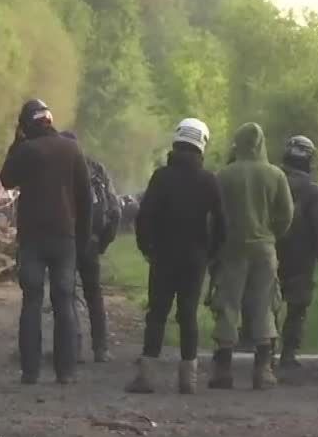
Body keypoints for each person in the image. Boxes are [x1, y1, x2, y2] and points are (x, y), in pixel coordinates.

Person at [127, 118, 224, 395]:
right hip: (195, 258)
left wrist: (147, 248)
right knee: (188, 315)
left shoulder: (161, 177)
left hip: (163, 256)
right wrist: (211, 253)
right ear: (202, 144)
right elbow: (221, 223)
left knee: (157, 313)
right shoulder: (209, 181)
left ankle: (146, 377)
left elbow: (143, 217)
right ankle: (188, 380)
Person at [0, 99, 91, 385]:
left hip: (33, 238)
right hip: (65, 237)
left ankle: (30, 371)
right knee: (64, 301)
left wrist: (16, 143)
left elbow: (6, 179)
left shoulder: (26, 151)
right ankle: (66, 371)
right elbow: (85, 198)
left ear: (26, 125)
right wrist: (83, 239)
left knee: (32, 301)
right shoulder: (72, 148)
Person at [208, 123, 293, 390]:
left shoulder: (224, 175)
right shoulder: (276, 175)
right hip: (264, 249)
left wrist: (217, 244)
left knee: (228, 304)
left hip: (232, 248)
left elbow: (213, 217)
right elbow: (286, 215)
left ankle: (223, 369)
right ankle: (263, 370)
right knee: (264, 304)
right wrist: (270, 234)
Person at [62, 131, 121, 363]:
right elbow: (115, 210)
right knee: (94, 294)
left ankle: (72, 347)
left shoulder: (57, 169)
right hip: (91, 242)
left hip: (65, 240)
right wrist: (102, 242)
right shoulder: (97, 169)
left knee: (66, 294)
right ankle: (101, 348)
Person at [276, 135, 318, 369]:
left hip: (272, 251)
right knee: (297, 308)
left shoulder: (273, 180)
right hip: (301, 257)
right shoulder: (313, 191)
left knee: (267, 303)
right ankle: (288, 353)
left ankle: (264, 351)